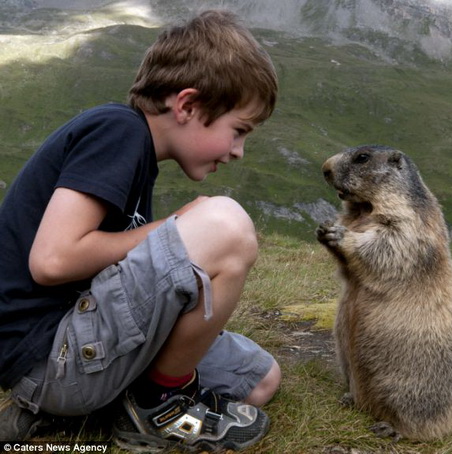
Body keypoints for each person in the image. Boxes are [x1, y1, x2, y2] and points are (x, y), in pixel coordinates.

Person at [0, 10, 280, 451]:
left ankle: (92, 409)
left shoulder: (140, 158)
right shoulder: (118, 131)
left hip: (88, 347)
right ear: (187, 105)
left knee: (259, 378)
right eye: (238, 131)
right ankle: (158, 407)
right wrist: (177, 226)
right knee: (225, 224)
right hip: (52, 357)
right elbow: (52, 260)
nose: (238, 152)